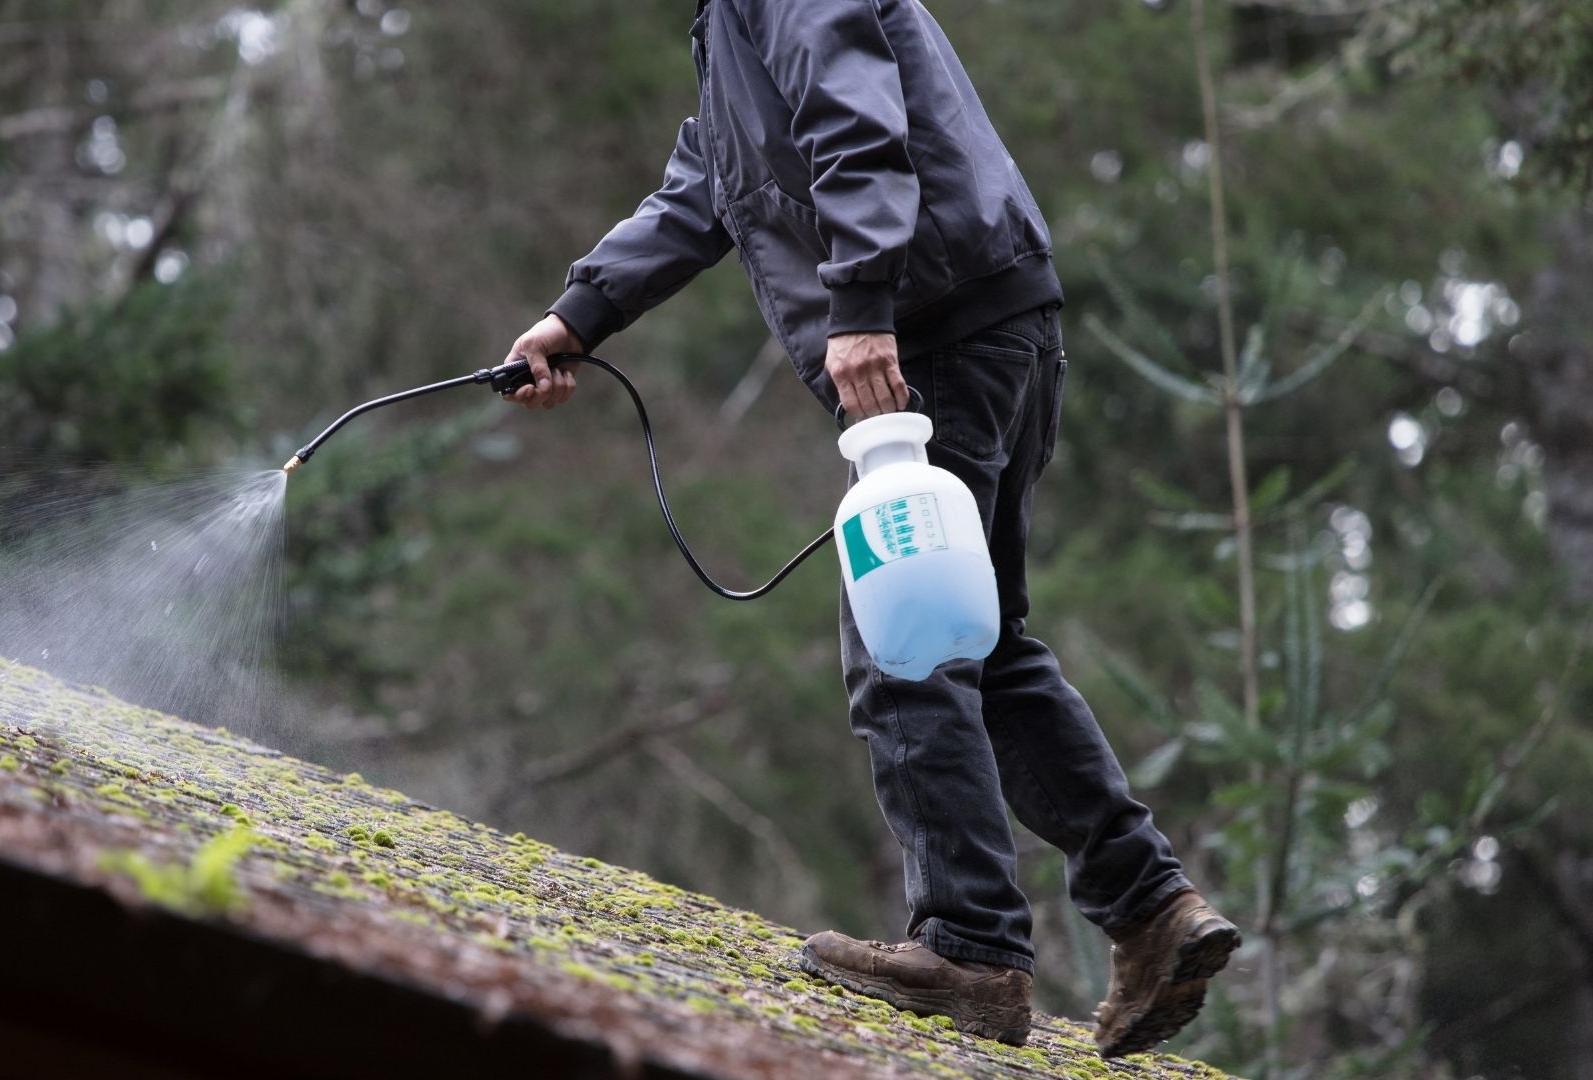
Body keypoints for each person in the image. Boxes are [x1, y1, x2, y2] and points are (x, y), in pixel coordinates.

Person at [500, 0, 1239, 1058]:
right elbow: (707, 190)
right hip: (981, 317)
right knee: (982, 637)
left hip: (934, 326)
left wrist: (859, 306)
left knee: (907, 642)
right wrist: (578, 317)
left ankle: (973, 951)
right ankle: (1151, 909)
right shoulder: (726, 35)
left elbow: (856, 122)